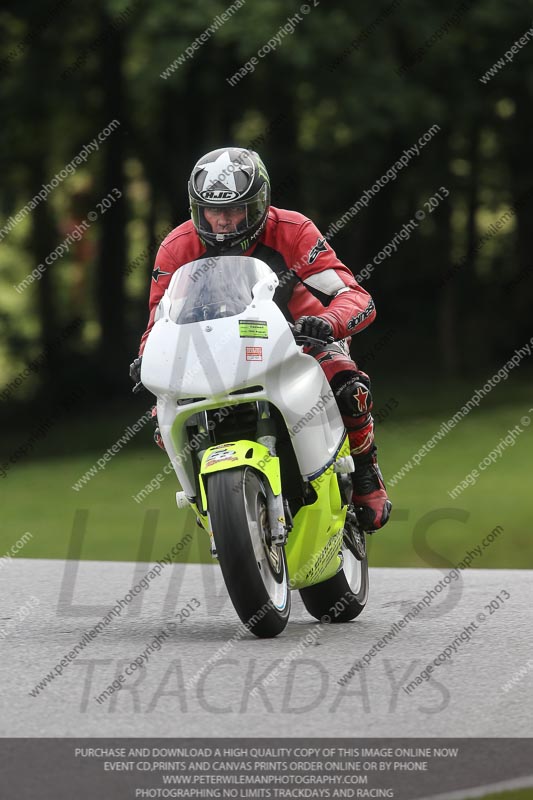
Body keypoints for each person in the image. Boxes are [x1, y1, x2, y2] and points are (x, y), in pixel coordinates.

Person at [130, 147, 391, 531]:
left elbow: (355, 296)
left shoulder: (293, 230)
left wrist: (330, 322)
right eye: (212, 211)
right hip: (213, 346)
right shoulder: (176, 247)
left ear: (260, 203)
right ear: (195, 208)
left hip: (298, 332)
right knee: (161, 413)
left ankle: (366, 469)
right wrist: (147, 355)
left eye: (236, 210)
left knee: (349, 387)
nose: (223, 222)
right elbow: (158, 319)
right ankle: (203, 497)